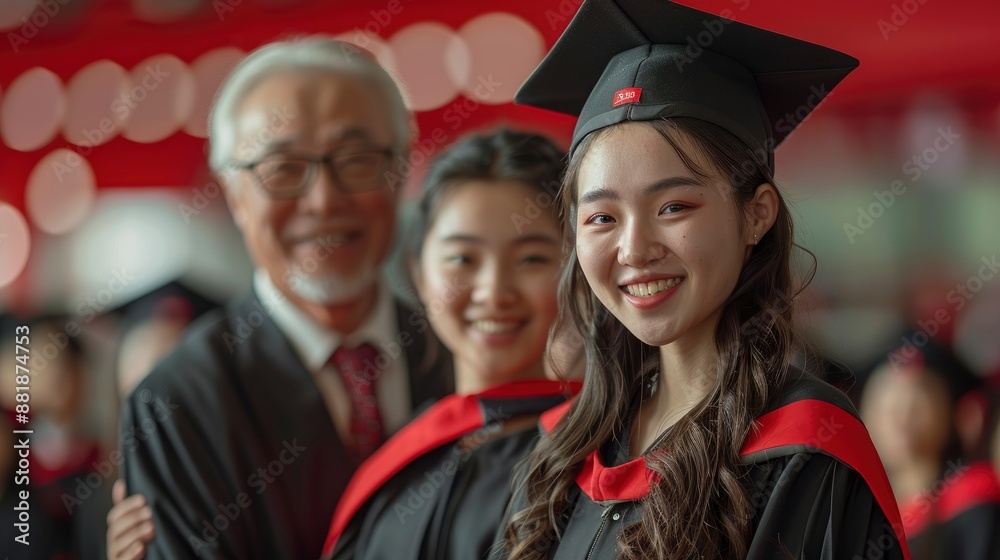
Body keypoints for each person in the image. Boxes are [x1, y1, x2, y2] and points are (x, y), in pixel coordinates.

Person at [495, 1, 909, 558]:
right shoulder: (562, 452)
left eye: (674, 207)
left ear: (756, 214)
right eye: (602, 218)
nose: (634, 249)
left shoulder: (804, 452)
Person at [114, 37, 453, 560]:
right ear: (233, 193)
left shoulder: (459, 352)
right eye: (283, 168)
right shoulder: (179, 401)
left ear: (401, 170)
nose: (323, 199)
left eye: (357, 159)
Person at [322, 129, 580, 560]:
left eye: (532, 259)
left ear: (577, 275)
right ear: (419, 274)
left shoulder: (596, 455)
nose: (494, 292)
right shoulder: (404, 455)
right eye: (463, 258)